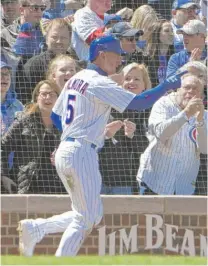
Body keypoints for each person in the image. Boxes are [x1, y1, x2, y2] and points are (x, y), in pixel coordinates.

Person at [17, 35, 185, 257]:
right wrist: (168, 83)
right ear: (103, 54)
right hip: (81, 151)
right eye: (117, 55)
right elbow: (138, 103)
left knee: (90, 215)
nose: (120, 61)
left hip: (70, 149)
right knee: (86, 219)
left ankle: (36, 228)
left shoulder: (76, 78)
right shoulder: (97, 81)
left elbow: (57, 116)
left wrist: (71, 137)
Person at [137, 74, 207, 195]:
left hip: (184, 187)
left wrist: (200, 121)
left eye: (195, 89)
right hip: (154, 182)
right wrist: (186, 114)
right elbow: (161, 133)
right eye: (187, 87)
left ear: (201, 96)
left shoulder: (205, 115)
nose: (190, 91)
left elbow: (205, 149)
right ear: (178, 90)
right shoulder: (163, 104)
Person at [1, 80, 66, 194]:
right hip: (27, 185)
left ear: (59, 98)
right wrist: (3, 176)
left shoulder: (66, 123)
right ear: (36, 97)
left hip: (59, 186)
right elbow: (3, 146)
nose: (47, 98)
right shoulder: (24, 119)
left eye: (52, 94)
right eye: (44, 94)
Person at [100, 63, 151, 195]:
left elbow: (147, 148)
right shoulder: (105, 106)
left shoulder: (148, 110)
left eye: (137, 79)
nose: (131, 82)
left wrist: (133, 135)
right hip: (100, 179)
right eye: (127, 78)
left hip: (129, 182)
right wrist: (105, 134)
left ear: (145, 85)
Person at [20, 18, 73, 104]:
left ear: (70, 40)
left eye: (63, 38)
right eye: (54, 37)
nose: (59, 41)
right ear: (46, 38)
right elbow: (25, 99)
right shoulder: (33, 65)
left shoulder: (76, 66)